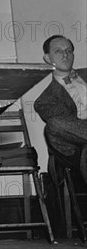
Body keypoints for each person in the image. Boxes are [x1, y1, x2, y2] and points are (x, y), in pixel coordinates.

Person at [34, 35, 87, 181]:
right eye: (58, 51)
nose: (65, 55)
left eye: (69, 50)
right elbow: (70, 125)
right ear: (47, 58)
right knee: (54, 125)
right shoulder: (44, 101)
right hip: (73, 149)